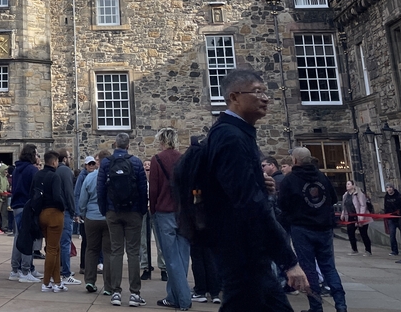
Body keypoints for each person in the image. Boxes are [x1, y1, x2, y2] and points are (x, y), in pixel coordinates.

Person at [202, 69, 308, 311]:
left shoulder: (236, 133)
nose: (265, 97)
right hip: (242, 250)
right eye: (257, 91)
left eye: (265, 91)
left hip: (244, 250)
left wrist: (258, 184)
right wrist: (288, 260)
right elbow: (249, 204)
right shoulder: (231, 137)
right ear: (235, 97)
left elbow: (235, 189)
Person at [279, 147, 347, 312]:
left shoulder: (290, 180)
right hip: (323, 228)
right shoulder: (321, 176)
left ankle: (316, 307)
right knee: (329, 267)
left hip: (302, 229)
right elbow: (332, 198)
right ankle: (341, 305)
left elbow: (282, 205)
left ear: (295, 161)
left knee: (309, 269)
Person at [97, 132, 148, 308]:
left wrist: (104, 209)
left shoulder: (106, 163)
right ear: (128, 145)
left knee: (116, 251)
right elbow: (143, 189)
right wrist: (141, 210)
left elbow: (100, 188)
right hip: (133, 211)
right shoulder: (136, 162)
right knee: (133, 252)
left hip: (112, 211)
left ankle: (116, 292)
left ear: (115, 145)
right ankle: (134, 293)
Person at [149, 127, 190, 310]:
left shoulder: (157, 160)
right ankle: (173, 296)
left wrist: (152, 208)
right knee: (182, 257)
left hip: (164, 212)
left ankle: (183, 299)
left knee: (171, 258)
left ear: (162, 141)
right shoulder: (185, 159)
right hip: (183, 213)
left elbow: (154, 189)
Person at [31, 150, 68, 292]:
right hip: (54, 214)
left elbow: (32, 194)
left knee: (54, 247)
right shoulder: (55, 176)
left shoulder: (38, 174)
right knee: (52, 249)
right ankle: (46, 282)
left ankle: (57, 281)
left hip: (41, 214)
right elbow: (58, 196)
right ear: (54, 162)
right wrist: (63, 207)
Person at [79, 150, 112, 295]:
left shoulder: (90, 177)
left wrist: (83, 213)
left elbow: (82, 200)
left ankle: (90, 281)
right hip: (109, 218)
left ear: (98, 162)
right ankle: (109, 286)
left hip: (91, 217)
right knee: (109, 252)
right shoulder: (113, 177)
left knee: (91, 250)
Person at [9, 143, 40, 283]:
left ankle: (15, 269)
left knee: (18, 237)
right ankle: (25, 270)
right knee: (28, 238)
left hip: (17, 205)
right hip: (27, 206)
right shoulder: (32, 170)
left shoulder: (16, 169)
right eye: (36, 154)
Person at [55, 148, 80, 286]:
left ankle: (56, 272)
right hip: (65, 211)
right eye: (69, 156)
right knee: (65, 243)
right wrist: (73, 210)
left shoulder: (55, 170)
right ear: (64, 159)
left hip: (54, 211)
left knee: (56, 244)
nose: (70, 159)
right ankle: (66, 273)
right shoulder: (65, 171)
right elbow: (69, 193)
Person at [341, 180, 371, 256]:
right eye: (346, 184)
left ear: (353, 185)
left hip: (360, 216)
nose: (347, 185)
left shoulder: (359, 194)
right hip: (351, 217)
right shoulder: (345, 195)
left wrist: (361, 216)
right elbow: (344, 206)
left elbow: (363, 205)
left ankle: (368, 250)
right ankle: (354, 249)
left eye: (348, 184)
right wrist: (343, 214)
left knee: (363, 233)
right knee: (350, 233)